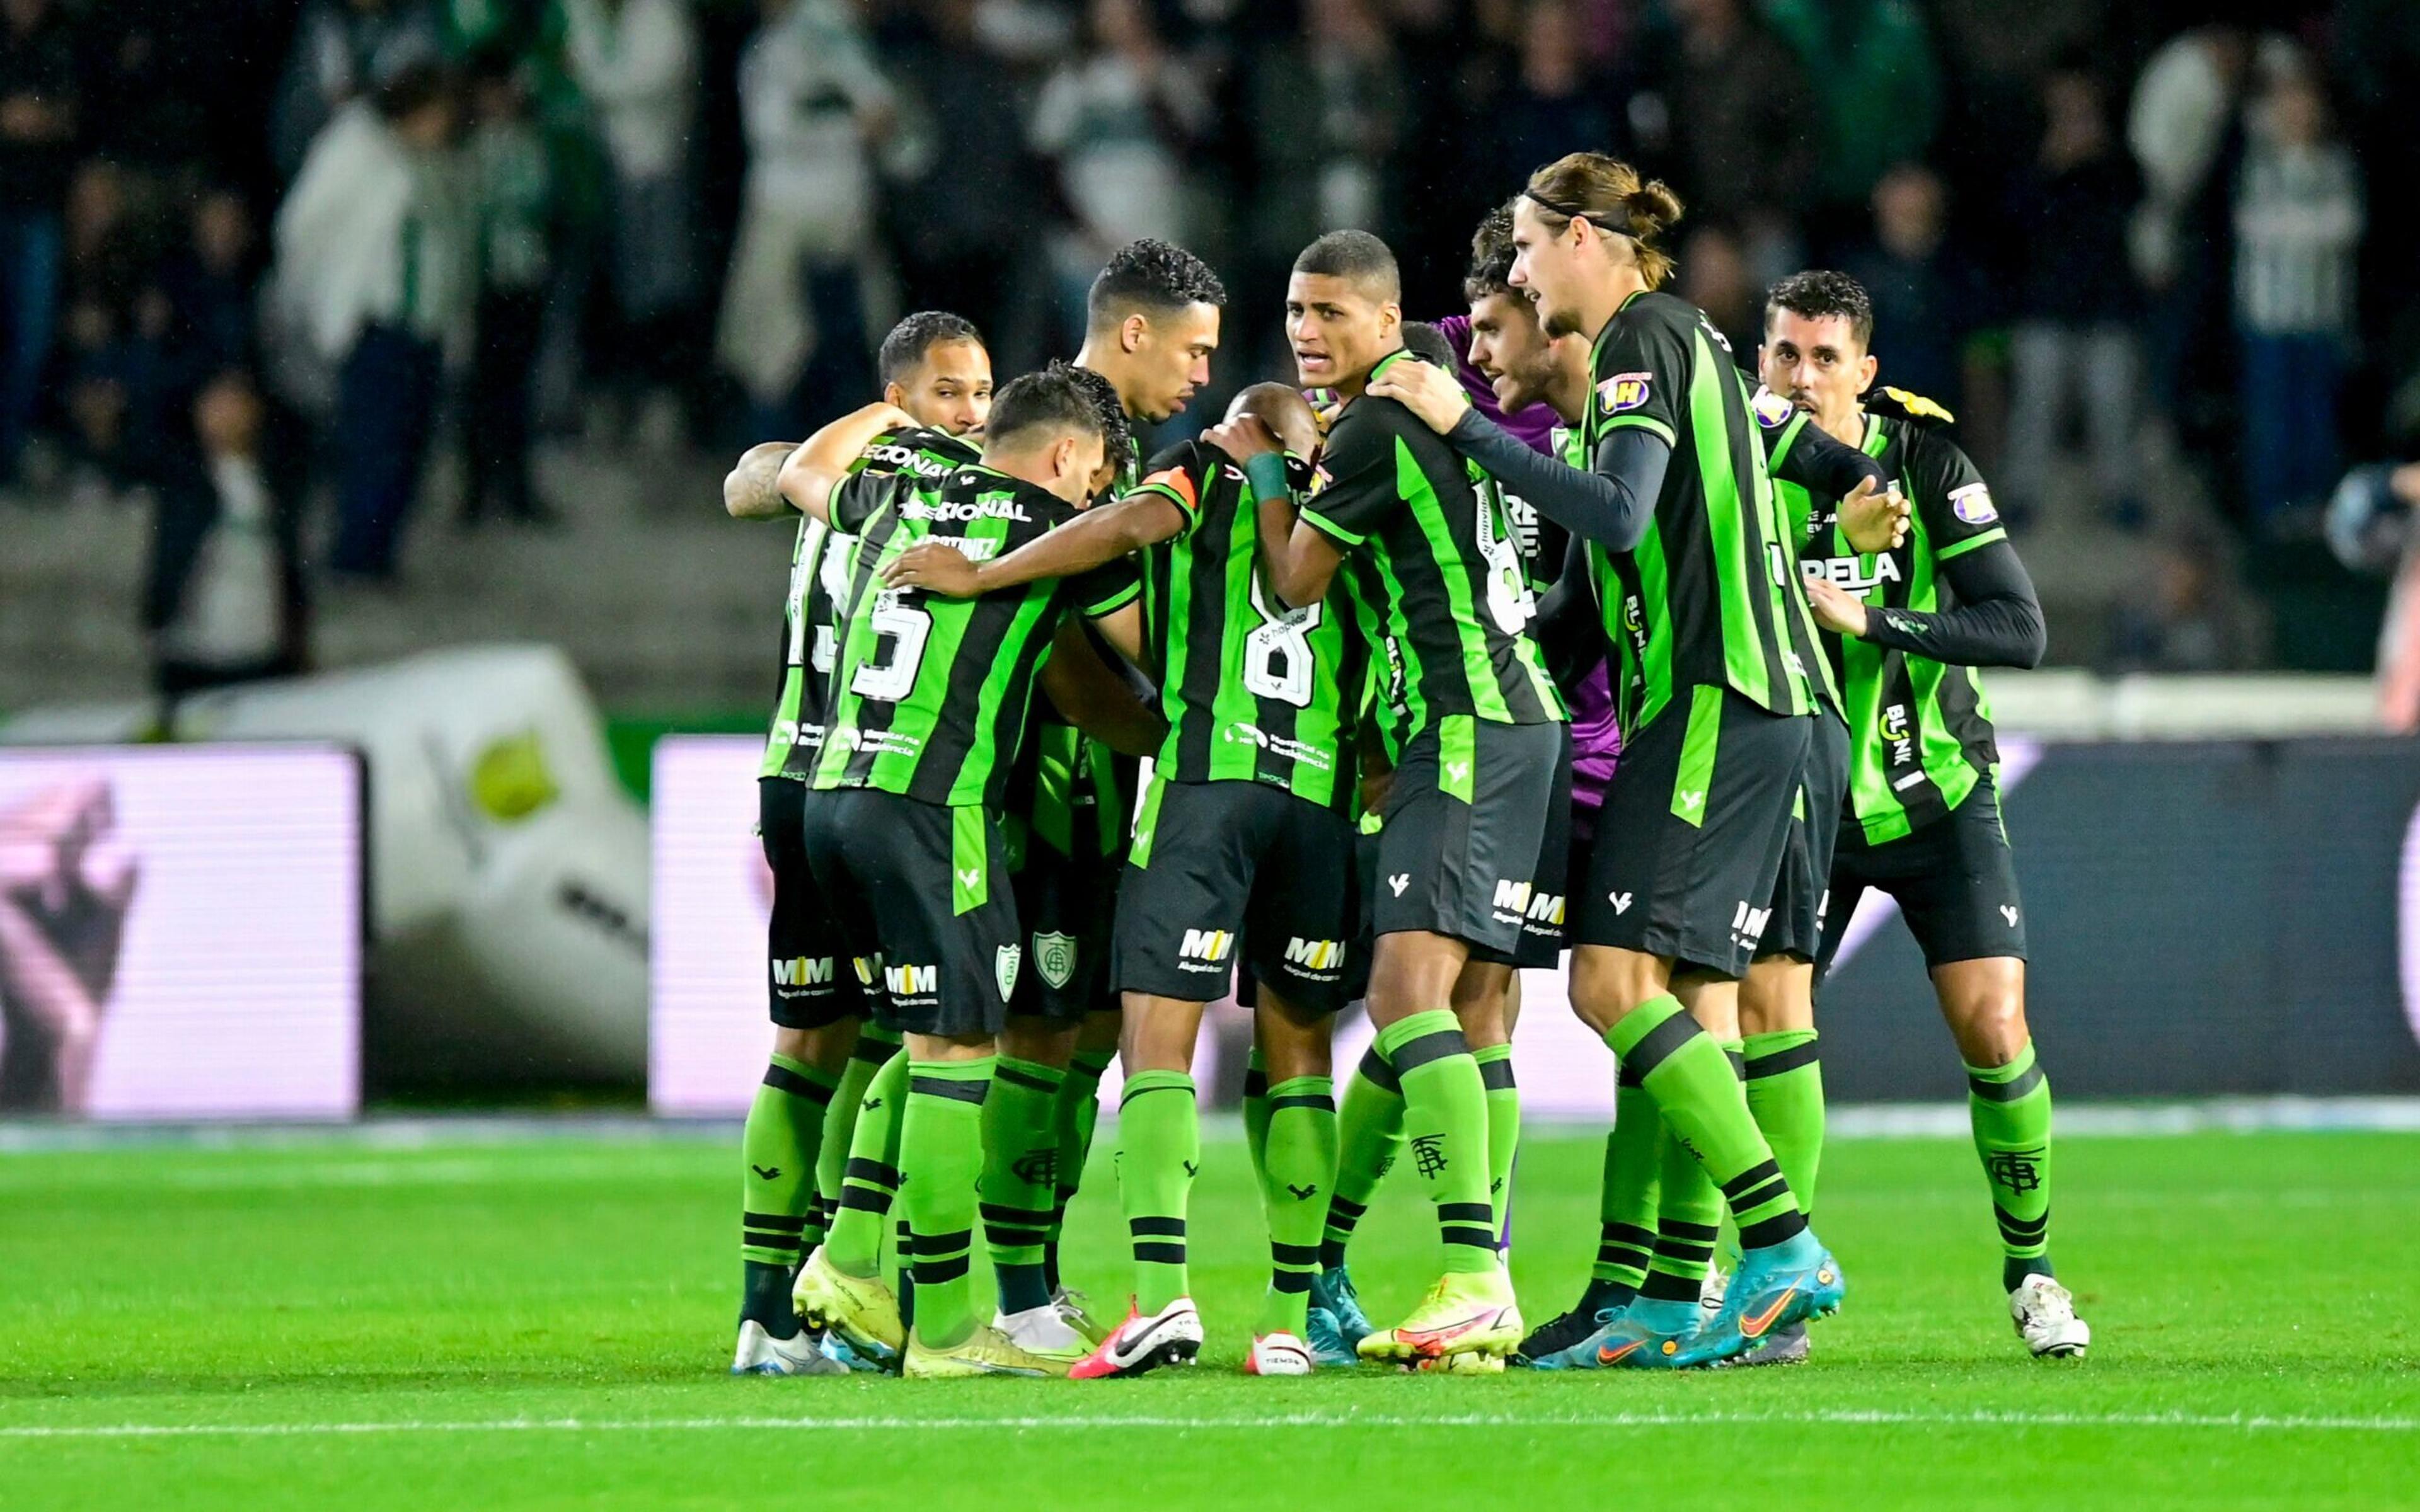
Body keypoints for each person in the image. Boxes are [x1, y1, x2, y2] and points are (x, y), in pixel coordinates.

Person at [1364, 154, 1879, 1368]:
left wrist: (1462, 429)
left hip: (1722, 704)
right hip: (1741, 709)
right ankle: (1654, 1297)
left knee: (1610, 986)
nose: (1526, 276)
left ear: (1587, 240)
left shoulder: (1646, 333)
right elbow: (1587, 605)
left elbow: (1616, 515)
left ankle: (1783, 1245)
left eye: (1534, 252)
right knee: (1687, 1002)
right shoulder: (1659, 362)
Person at [884, 384, 1362, 1378]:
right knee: (1301, 1057)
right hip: (1321, 793)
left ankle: (1162, 1297)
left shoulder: (1205, 468)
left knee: (1153, 1043)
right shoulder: (1360, 487)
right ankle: (1288, 1320)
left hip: (1202, 788)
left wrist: (984, 574)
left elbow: (1126, 527)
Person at [778, 368, 1149, 1378]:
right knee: (957, 1057)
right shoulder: (1056, 530)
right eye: (1095, 476)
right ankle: (932, 1322)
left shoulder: (905, 491)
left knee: (917, 1041)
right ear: (1072, 456)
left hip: (833, 799)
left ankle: (861, 1260)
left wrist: (882, 414)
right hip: (936, 810)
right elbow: (1151, 650)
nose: (1092, 494)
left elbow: (804, 472)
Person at [1756, 270, 2087, 1361]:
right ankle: (1780, 1282)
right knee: (1770, 1026)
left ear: (1866, 371)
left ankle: (2033, 1270)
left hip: (1936, 790)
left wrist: (1875, 618)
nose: (1800, 377)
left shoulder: (1929, 462)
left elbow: (2018, 626)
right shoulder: (1737, 468)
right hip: (1801, 805)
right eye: (1783, 354)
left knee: (1995, 1028)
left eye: (1822, 357)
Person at [1255, 229, 1566, 1368]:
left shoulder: (1382, 427)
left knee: (1403, 994)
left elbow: (1295, 584)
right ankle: (1368, 1258)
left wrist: (1264, 466)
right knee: (1472, 1013)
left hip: (1470, 723)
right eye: (1296, 309)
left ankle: (1476, 1272)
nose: (1306, 331)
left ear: (1385, 323)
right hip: (1505, 721)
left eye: (1332, 313)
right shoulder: (1421, 396)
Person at [960, 239, 1226, 1366]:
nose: (1203, 374)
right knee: (1033, 1025)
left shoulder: (1133, 459)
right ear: (1132, 333)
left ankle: (1039, 1271)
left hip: (1109, 790)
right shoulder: (1044, 447)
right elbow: (1064, 643)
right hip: (1037, 782)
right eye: (1193, 349)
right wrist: (1176, 735)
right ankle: (1001, 1286)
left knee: (1094, 1033)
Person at [717, 309, 994, 1377]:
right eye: (947, 392)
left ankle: (775, 1313)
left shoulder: (839, 480)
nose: (969, 412)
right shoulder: (924, 494)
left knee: (821, 1045)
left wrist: (779, 461)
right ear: (897, 397)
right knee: (902, 1042)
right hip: (871, 782)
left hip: (798, 783)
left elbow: (751, 477)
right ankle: (853, 1289)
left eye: (979, 393)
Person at [272, 58, 470, 581]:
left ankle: (380, 555)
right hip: (375, 326)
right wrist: (326, 300)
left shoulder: (439, 164)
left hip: (425, 327)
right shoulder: (357, 150)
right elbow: (306, 225)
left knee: (410, 449)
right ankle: (354, 554)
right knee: (372, 447)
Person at [2233, 59, 2362, 535]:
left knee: (2315, 413)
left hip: (2319, 313)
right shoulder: (2259, 166)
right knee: (2271, 415)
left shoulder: (2334, 164)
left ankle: (2313, 507)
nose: (2296, 111)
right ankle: (2273, 508)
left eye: (2305, 101)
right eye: (2286, 100)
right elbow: (2253, 227)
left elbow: (2346, 224)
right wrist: (2308, 226)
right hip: (2268, 315)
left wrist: (2293, 226)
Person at [0, 0, 76, 485]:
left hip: (40, 209)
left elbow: (74, 114)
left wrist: (36, 120)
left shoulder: (61, 42)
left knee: (32, 338)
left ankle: (10, 450)